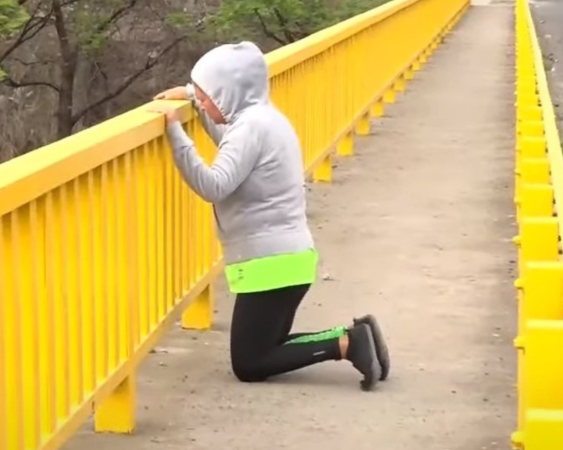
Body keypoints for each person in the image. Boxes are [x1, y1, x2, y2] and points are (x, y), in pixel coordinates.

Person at [149, 41, 390, 391]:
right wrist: (190, 95)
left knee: (250, 363)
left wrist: (176, 134)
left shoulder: (250, 129)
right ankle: (352, 338)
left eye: (206, 96)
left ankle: (349, 343)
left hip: (272, 265)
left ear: (228, 93)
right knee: (263, 349)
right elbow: (229, 140)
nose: (201, 102)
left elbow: (213, 185)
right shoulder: (261, 119)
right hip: (286, 260)